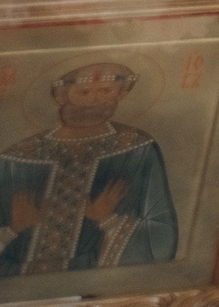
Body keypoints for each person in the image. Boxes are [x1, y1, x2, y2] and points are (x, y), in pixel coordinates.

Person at [0, 62, 179, 275]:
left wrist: (108, 220)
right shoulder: (20, 156)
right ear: (60, 95)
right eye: (84, 91)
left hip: (92, 282)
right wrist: (12, 229)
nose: (95, 100)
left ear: (121, 93)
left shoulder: (137, 150)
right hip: (19, 282)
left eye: (106, 90)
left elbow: (161, 234)